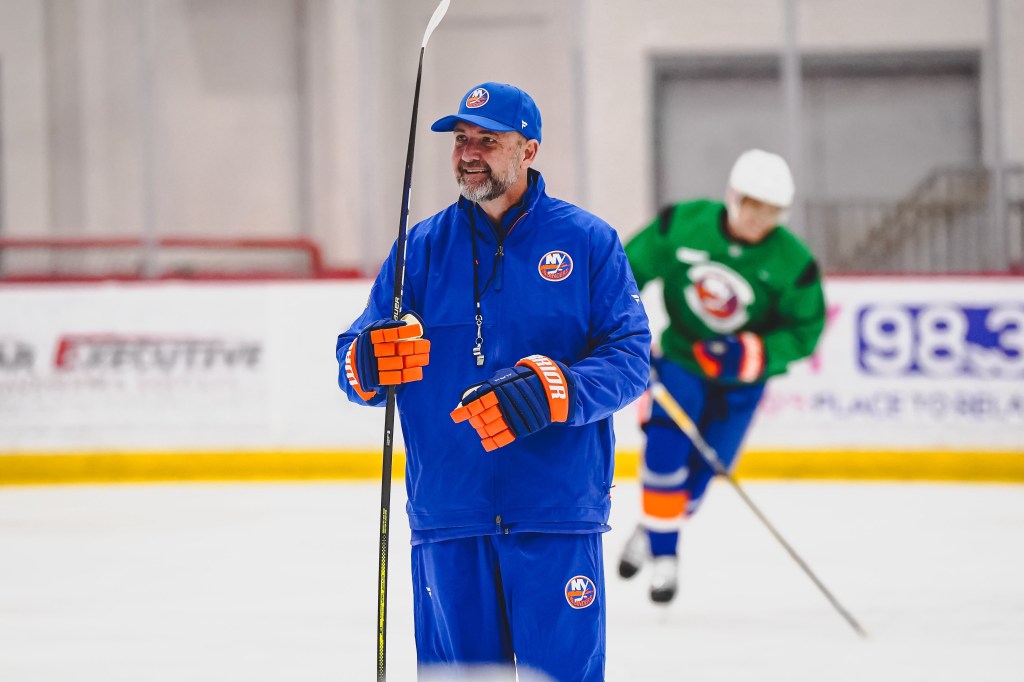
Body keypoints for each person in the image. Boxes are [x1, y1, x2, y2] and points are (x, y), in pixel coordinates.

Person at [336, 82, 650, 680]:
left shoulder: (587, 242)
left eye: (487, 139)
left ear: (528, 150)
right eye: (461, 140)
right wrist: (365, 363)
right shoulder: (421, 250)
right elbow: (355, 357)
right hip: (449, 514)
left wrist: (560, 391)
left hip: (555, 511)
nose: (469, 153)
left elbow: (631, 356)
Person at [616, 149, 826, 604]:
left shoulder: (794, 262)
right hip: (681, 359)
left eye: (770, 210)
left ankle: (650, 532)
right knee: (665, 452)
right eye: (752, 204)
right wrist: (629, 335)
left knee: (707, 468)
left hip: (743, 381)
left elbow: (806, 330)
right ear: (734, 196)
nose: (758, 218)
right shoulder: (681, 225)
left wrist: (752, 353)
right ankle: (666, 557)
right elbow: (623, 274)